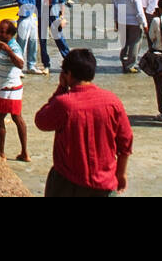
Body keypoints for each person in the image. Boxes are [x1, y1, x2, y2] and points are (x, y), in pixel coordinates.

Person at [33, 49, 132, 197]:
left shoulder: (64, 103)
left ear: (68, 74)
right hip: (104, 184)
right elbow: (125, 142)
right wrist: (121, 173)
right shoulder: (112, 101)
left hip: (67, 183)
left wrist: (60, 89)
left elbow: (41, 122)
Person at [0, 19, 29, 162]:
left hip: (10, 89)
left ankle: (1, 152)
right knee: (16, 118)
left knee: (0, 118)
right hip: (5, 87)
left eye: (2, 32)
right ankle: (24, 153)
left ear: (10, 34)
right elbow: (1, 69)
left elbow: (20, 64)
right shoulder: (4, 46)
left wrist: (8, 51)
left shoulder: (14, 47)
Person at [32, 0, 71, 71]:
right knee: (43, 39)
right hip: (42, 12)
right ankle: (46, 64)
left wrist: (62, 16)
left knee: (59, 37)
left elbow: (62, 0)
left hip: (54, 12)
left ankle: (68, 61)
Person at [111, 0, 144, 73]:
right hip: (133, 21)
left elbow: (114, 8)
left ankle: (124, 61)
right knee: (134, 43)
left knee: (124, 43)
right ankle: (130, 65)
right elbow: (139, 10)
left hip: (121, 20)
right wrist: (144, 23)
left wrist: (116, 21)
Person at [14, 0, 43, 74]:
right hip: (23, 20)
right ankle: (18, 68)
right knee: (21, 44)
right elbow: (24, 5)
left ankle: (31, 65)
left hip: (31, 19)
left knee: (33, 42)